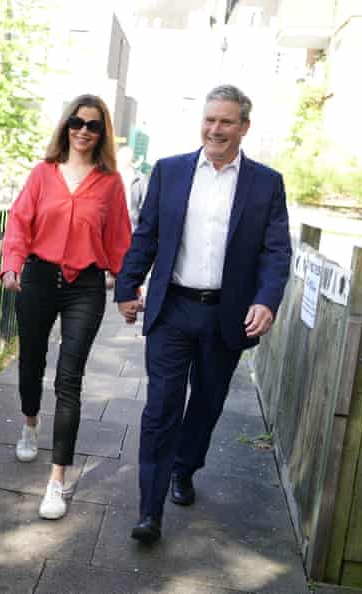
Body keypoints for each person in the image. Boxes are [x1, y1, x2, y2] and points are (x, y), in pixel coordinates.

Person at [114, 84, 292, 544]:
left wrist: (266, 299)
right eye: (210, 119)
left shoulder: (266, 183)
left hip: (225, 316)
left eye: (226, 121)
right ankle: (149, 511)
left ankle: (185, 466)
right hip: (173, 308)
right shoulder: (170, 172)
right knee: (161, 407)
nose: (215, 129)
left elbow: (276, 252)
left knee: (207, 402)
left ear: (244, 127)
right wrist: (127, 284)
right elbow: (147, 235)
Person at [1, 94, 131, 520]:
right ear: (66, 125)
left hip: (86, 287)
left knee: (70, 379)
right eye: (77, 122)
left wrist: (128, 289)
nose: (83, 131)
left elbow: (120, 240)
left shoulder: (110, 183)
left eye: (93, 125)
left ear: (102, 133)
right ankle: (30, 422)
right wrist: (11, 265)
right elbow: (19, 222)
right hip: (39, 278)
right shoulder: (43, 174)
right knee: (31, 364)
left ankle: (56, 480)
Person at [118, 145, 146, 228]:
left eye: (127, 156)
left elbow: (145, 203)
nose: (124, 159)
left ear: (131, 158)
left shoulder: (140, 178)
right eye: (122, 156)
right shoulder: (109, 175)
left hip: (131, 225)